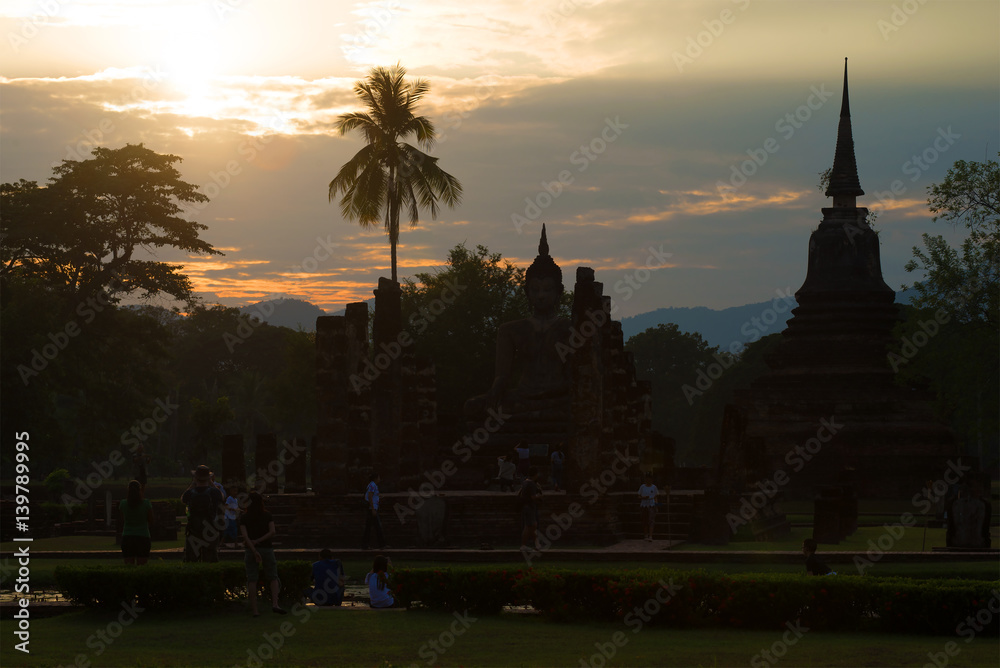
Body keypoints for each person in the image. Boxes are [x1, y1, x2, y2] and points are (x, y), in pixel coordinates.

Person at [241, 492, 286, 616]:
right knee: (273, 577)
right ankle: (275, 604)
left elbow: (245, 536)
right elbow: (272, 532)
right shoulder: (267, 515)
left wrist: (254, 550)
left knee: (252, 579)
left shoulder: (244, 517)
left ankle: (255, 610)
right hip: (266, 548)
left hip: (250, 550)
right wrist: (259, 541)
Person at [181, 465, 223, 562]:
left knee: (191, 559)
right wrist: (211, 483)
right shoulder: (214, 492)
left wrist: (192, 484)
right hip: (210, 528)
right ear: (208, 477)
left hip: (193, 528)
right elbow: (222, 497)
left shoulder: (190, 492)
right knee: (210, 559)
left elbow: (183, 499)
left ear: (196, 477)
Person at [119, 480, 154, 565]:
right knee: (141, 567)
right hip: (143, 536)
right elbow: (151, 520)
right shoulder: (146, 503)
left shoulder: (123, 503)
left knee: (129, 567)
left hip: (127, 536)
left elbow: (121, 520)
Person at [519, 467, 542, 550]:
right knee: (530, 526)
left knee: (532, 525)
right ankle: (525, 545)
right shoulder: (531, 484)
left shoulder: (525, 482)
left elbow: (520, 493)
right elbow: (533, 497)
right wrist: (539, 496)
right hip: (529, 506)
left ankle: (536, 543)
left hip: (526, 506)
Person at [363, 473, 386, 550]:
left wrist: (378, 496)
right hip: (372, 509)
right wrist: (372, 509)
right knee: (376, 527)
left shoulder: (373, 485)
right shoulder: (372, 485)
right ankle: (381, 545)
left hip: (372, 508)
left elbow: (372, 495)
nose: (380, 479)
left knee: (371, 527)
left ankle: (367, 545)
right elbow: (369, 496)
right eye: (379, 477)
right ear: (375, 478)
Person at [638, 472, 659, 542]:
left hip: (651, 504)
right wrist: (643, 497)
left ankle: (650, 535)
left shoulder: (654, 487)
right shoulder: (642, 487)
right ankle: (645, 535)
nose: (648, 480)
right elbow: (639, 496)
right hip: (644, 504)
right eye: (647, 479)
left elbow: (655, 497)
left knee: (651, 520)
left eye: (649, 479)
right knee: (645, 520)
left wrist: (657, 506)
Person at [223, 484, 242, 549]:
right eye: (234, 491)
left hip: (232, 517)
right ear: (231, 491)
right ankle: (235, 544)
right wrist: (233, 509)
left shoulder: (235, 499)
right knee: (233, 530)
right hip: (228, 517)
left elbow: (236, 507)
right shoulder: (229, 498)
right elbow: (226, 506)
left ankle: (222, 543)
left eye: (236, 491)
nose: (235, 493)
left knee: (230, 531)